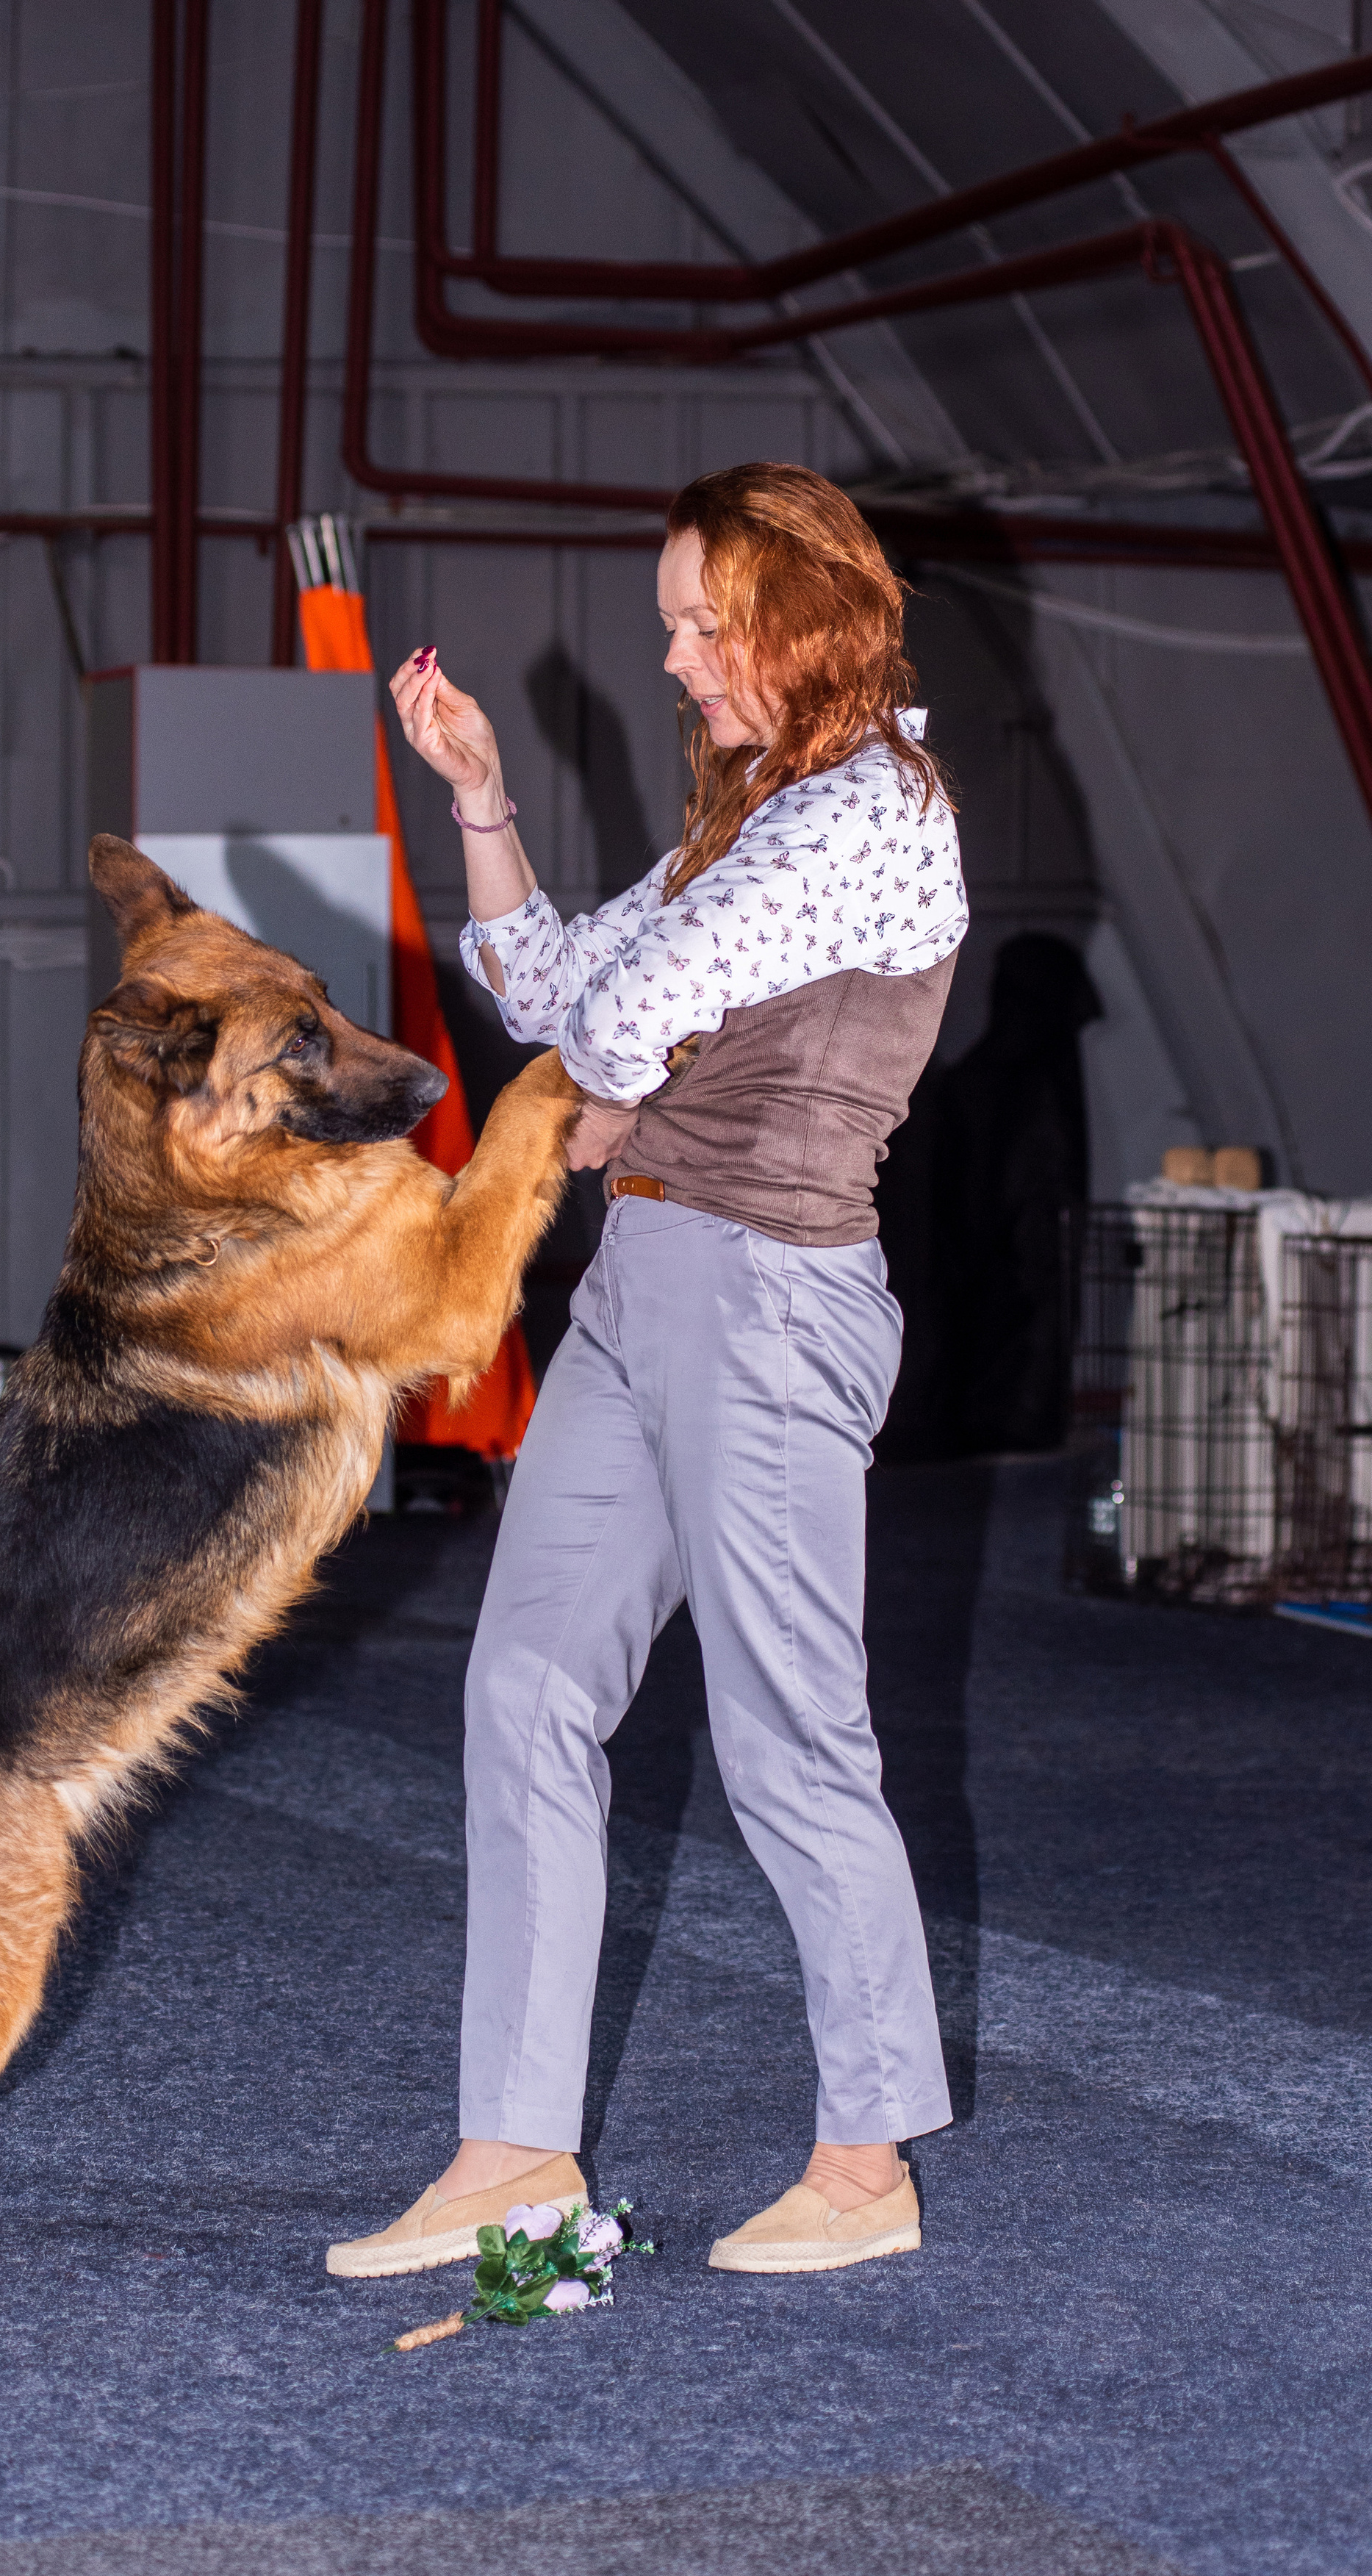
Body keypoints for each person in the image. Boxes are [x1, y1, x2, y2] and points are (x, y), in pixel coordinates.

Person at [325, 462, 967, 2283]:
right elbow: (547, 990)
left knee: (788, 1734)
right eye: (672, 624)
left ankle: (865, 2161)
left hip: (764, 1299)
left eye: (701, 622)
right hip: (643, 1279)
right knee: (524, 1686)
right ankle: (514, 2151)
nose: (676, 657)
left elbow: (611, 1028)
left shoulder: (865, 814)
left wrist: (613, 1092)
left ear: (798, 622)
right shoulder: (759, 820)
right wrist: (481, 803)